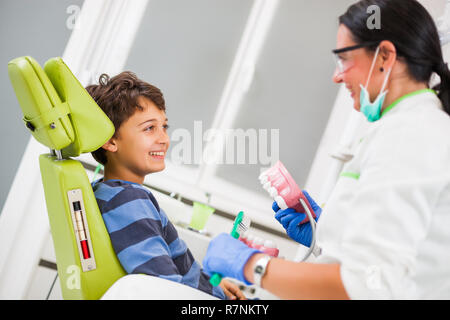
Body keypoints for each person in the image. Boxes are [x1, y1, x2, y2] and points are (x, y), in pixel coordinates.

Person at [202, 0, 450, 299]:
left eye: (344, 59)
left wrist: (253, 265)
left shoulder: (410, 134)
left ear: (384, 56)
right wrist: (327, 232)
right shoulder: (404, 128)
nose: (337, 75)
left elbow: (368, 285)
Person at [86, 71, 245, 300]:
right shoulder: (130, 200)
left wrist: (212, 286)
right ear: (110, 141)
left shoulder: (108, 192)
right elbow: (163, 289)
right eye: (149, 128)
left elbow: (169, 272)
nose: (164, 139)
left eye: (164, 127)